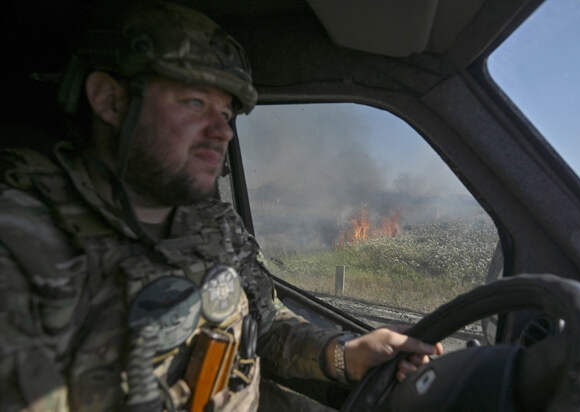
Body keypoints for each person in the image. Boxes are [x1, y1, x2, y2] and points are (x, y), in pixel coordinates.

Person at [0, 1, 442, 411]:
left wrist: (345, 355)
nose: (222, 132)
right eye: (194, 102)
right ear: (111, 100)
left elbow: (265, 328)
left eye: (226, 113)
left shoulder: (214, 224)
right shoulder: (21, 239)